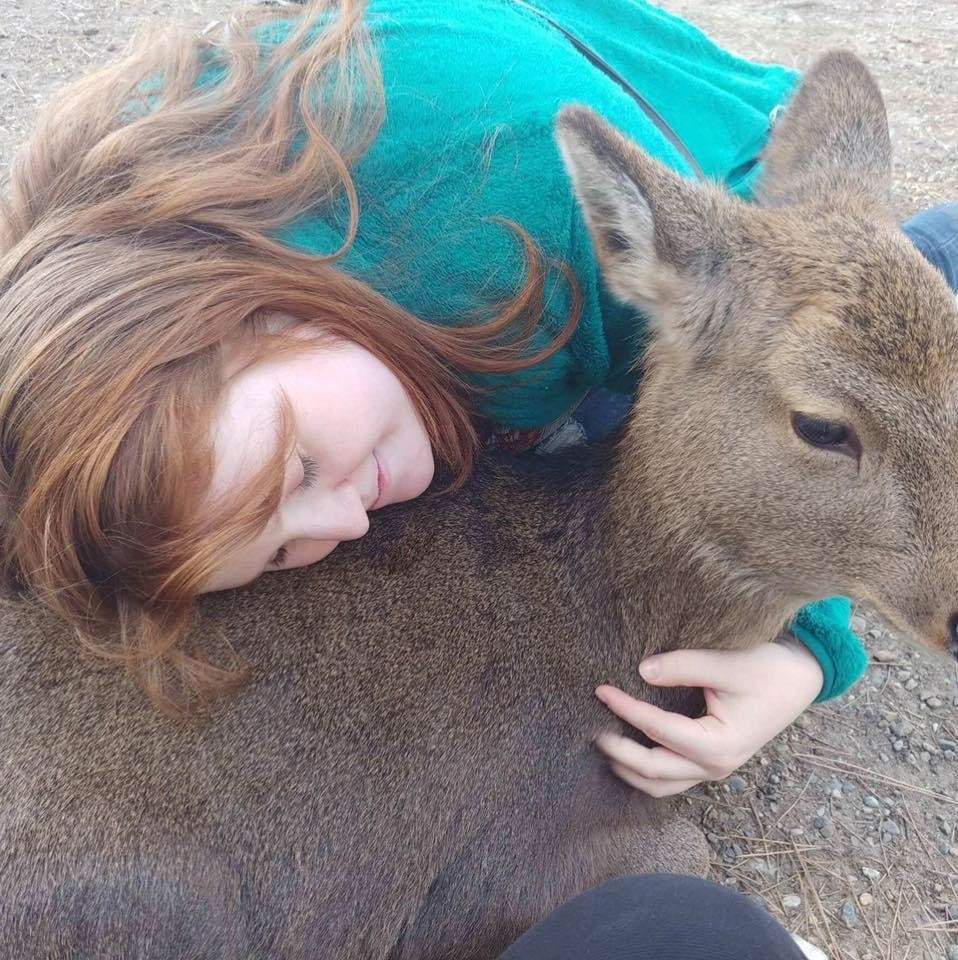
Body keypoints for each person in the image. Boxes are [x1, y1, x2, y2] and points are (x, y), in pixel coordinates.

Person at [2, 0, 956, 834]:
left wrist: (810, 647)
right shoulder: (154, 302)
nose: (344, 524)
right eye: (286, 552)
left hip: (669, 115)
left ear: (258, 314)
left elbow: (790, 327)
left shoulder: (519, 256)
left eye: (297, 473)